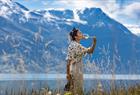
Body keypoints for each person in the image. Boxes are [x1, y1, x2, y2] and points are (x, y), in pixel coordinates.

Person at [64, 28, 96, 95]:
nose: (82, 34)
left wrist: (94, 43)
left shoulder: (75, 45)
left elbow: (90, 51)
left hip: (73, 69)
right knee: (78, 90)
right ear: (76, 37)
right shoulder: (76, 45)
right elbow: (90, 51)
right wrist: (94, 43)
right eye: (80, 33)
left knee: (73, 90)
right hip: (76, 69)